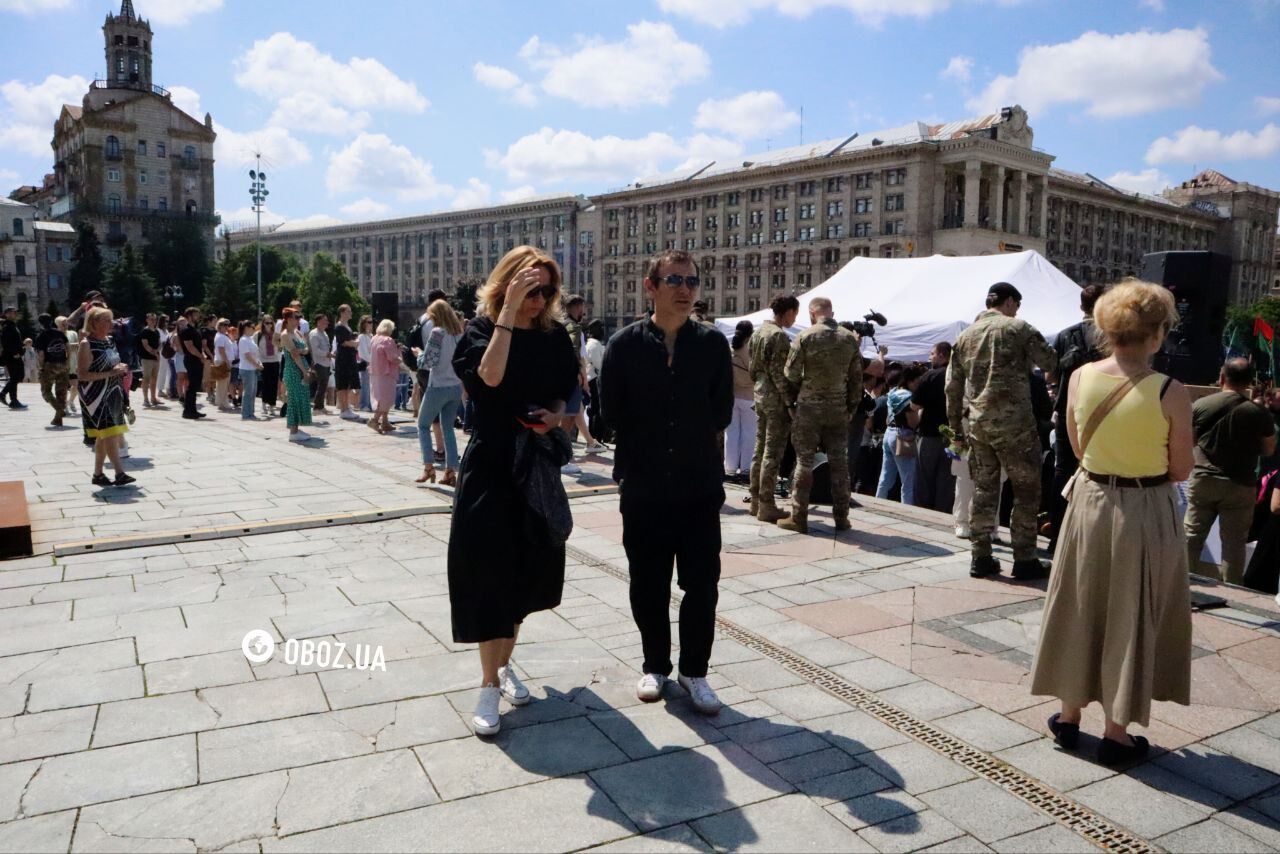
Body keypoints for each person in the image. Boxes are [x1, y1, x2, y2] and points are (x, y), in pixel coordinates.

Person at [1030, 280, 1193, 765]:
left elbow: (1078, 449)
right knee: (1131, 610)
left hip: (1089, 501)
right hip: (1143, 509)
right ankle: (1116, 734)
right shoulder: (1170, 391)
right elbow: (1181, 470)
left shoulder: (1079, 377)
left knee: (1078, 605)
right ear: (1157, 335)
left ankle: (1068, 716)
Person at [449, 246, 577, 736]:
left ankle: (503, 666)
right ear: (505, 286)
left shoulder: (555, 335)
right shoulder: (480, 332)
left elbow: (565, 389)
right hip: (490, 464)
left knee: (523, 576)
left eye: (546, 290)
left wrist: (554, 415)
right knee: (487, 574)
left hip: (536, 463)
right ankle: (487, 684)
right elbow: (490, 377)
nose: (539, 300)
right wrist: (506, 315)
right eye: (530, 289)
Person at [601, 249, 733, 715]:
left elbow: (720, 411)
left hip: (698, 485)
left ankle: (695, 671)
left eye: (692, 282)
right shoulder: (624, 345)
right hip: (644, 483)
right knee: (648, 580)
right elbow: (608, 413)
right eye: (674, 280)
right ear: (650, 286)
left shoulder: (713, 345)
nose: (684, 290)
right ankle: (655, 664)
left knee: (702, 582)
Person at [947, 282, 1058, 579]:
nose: (1017, 311)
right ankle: (1024, 559)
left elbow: (952, 388)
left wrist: (956, 430)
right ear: (1009, 302)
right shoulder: (1018, 328)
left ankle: (980, 557)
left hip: (979, 426)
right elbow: (1050, 361)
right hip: (1015, 426)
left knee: (983, 490)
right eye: (1017, 305)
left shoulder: (964, 336)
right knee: (1026, 490)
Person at [1184, 358, 1277, 584]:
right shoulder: (1259, 413)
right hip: (1241, 484)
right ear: (1248, 382)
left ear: (1222, 378)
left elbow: (1189, 442)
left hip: (1203, 479)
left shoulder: (1201, 405)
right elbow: (1269, 449)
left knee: (1191, 536)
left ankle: (1182, 585)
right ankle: (1232, 593)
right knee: (1234, 545)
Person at [777, 297, 863, 533]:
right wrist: (851, 408)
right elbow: (857, 379)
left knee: (804, 461)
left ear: (812, 313)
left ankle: (799, 516)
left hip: (809, 408)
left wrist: (792, 402)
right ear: (831, 313)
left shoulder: (805, 336)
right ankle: (842, 517)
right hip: (837, 409)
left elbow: (790, 374)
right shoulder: (848, 338)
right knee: (839, 463)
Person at [1048, 284, 1107, 553]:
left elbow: (1051, 376)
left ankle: (1057, 534)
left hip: (1067, 409)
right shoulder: (1111, 336)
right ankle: (1090, 537)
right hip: (1103, 411)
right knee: (1099, 471)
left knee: (1063, 470)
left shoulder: (1064, 335)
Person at [748, 295, 799, 520]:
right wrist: (790, 402)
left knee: (759, 450)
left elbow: (752, 366)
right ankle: (767, 503)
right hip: (775, 398)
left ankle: (756, 501)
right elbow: (780, 373)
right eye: (794, 313)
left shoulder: (758, 332)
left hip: (759, 393)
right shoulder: (778, 335)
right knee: (772, 451)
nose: (794, 318)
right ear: (786, 312)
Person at [78, 306, 134, 486]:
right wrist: (111, 373)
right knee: (109, 432)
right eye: (106, 320)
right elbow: (83, 375)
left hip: (113, 391)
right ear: (94, 323)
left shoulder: (110, 341)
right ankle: (119, 473)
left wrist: (120, 368)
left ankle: (98, 474)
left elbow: (112, 363)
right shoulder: (87, 344)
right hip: (95, 394)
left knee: (104, 435)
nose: (112, 324)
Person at [415, 300, 465, 485]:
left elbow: (428, 362)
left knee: (422, 425)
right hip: (455, 386)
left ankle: (428, 467)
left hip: (438, 386)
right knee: (448, 428)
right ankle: (450, 471)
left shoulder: (437, 333)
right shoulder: (458, 334)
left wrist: (418, 353)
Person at [561, 294, 606, 466]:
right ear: (575, 308)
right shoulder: (574, 327)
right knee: (568, 419)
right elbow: (576, 354)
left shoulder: (563, 325)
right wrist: (582, 378)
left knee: (571, 414)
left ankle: (585, 443)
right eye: (582, 308)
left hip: (564, 377)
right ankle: (564, 458)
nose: (584, 311)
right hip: (572, 378)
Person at [912, 342, 956, 512]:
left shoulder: (930, 376)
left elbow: (914, 405)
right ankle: (943, 512)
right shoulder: (961, 376)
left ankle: (923, 513)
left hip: (930, 433)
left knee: (924, 477)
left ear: (941, 355)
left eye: (932, 354)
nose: (930, 357)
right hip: (954, 436)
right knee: (948, 478)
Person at [876, 364, 926, 505]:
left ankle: (878, 504)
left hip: (889, 434)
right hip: (903, 435)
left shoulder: (893, 392)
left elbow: (887, 419)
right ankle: (907, 510)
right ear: (912, 380)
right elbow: (913, 422)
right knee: (908, 480)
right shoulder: (910, 397)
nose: (919, 384)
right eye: (918, 380)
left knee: (885, 476)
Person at [724, 320, 756, 482]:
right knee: (749, 433)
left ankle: (729, 468)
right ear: (750, 334)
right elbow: (755, 373)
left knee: (731, 433)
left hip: (732, 395)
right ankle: (745, 469)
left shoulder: (730, 349)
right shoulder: (749, 351)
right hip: (749, 396)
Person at [279, 308, 314, 443]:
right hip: (294, 371)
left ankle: (297, 428)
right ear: (288, 319)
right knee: (294, 400)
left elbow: (305, 349)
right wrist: (304, 372)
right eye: (295, 317)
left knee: (302, 398)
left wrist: (301, 351)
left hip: (301, 367)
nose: (298, 320)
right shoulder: (285, 334)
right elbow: (295, 355)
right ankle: (293, 431)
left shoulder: (297, 332)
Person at [34, 314, 69, 426]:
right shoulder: (59, 333)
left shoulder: (41, 336)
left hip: (49, 366)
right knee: (61, 392)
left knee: (46, 392)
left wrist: (41, 367)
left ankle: (59, 410)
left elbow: (41, 354)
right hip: (63, 364)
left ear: (40, 323)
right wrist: (68, 361)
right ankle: (58, 419)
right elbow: (67, 347)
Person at [367, 319, 402, 434]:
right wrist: (400, 357)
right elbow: (392, 357)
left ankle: (385, 422)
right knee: (385, 398)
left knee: (379, 396)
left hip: (375, 372)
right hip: (387, 373)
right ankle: (375, 420)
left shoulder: (374, 339)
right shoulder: (388, 340)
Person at [331, 304, 362, 421]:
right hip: (343, 358)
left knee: (348, 383)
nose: (351, 313)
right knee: (342, 384)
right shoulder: (339, 327)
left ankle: (347, 407)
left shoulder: (347, 326)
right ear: (342, 313)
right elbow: (344, 342)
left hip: (350, 357)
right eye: (348, 311)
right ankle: (343, 409)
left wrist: (354, 341)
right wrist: (355, 343)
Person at [178, 308, 208, 420]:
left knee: (195, 386)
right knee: (192, 386)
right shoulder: (186, 331)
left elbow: (199, 346)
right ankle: (188, 411)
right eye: (196, 315)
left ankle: (192, 410)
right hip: (192, 360)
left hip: (197, 359)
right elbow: (190, 347)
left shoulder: (194, 329)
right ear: (189, 316)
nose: (198, 317)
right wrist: (201, 356)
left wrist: (202, 355)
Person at [584, 319, 609, 443]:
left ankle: (597, 436)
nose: (602, 331)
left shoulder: (594, 344)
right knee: (596, 409)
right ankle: (596, 437)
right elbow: (599, 364)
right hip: (594, 380)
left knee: (595, 409)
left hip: (594, 379)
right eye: (600, 328)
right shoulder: (594, 345)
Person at [0, 306, 25, 408]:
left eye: (15, 312)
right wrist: (15, 353)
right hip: (12, 356)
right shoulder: (6, 326)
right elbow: (6, 342)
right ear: (6, 314)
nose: (14, 314)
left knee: (15, 377)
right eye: (12, 312)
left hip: (14, 355)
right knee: (18, 376)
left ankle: (13, 400)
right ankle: (4, 394)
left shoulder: (12, 325)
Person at [237, 320, 262, 420]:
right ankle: (246, 414)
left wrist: (258, 363)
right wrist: (257, 365)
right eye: (252, 327)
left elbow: (255, 353)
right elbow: (247, 356)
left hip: (253, 368)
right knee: (248, 392)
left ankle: (251, 412)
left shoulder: (250, 339)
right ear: (246, 328)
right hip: (247, 369)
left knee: (253, 392)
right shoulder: (243, 340)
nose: (253, 329)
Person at [308, 313, 332, 415]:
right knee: (320, 386)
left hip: (326, 363)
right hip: (319, 363)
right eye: (324, 321)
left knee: (324, 386)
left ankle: (321, 406)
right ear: (318, 322)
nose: (327, 322)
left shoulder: (324, 333)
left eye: (327, 320)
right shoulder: (314, 334)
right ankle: (317, 408)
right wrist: (326, 354)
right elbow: (315, 350)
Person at [257, 315, 280, 417]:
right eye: (267, 323)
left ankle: (272, 405)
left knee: (274, 384)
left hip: (275, 360)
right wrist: (257, 362)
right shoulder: (258, 335)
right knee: (265, 384)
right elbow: (255, 349)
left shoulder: (276, 334)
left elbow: (280, 346)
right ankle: (264, 404)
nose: (269, 325)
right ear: (263, 324)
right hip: (264, 361)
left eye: (271, 323)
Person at [136, 312, 161, 407]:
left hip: (156, 358)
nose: (153, 321)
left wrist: (157, 352)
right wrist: (154, 353)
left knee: (154, 378)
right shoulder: (144, 331)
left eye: (155, 319)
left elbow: (159, 344)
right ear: (147, 320)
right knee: (146, 378)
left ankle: (153, 398)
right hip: (147, 358)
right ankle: (145, 399)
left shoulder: (157, 331)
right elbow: (145, 345)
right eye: (151, 319)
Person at [62, 316, 79, 416]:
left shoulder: (73, 333)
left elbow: (78, 345)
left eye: (66, 323)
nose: (65, 325)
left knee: (76, 386)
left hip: (73, 362)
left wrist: (70, 346)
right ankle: (64, 406)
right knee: (63, 387)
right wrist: (69, 346)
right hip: (62, 364)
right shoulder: (57, 334)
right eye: (63, 323)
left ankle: (70, 401)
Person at [356, 315, 374, 412]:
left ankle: (370, 404)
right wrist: (371, 362)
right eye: (369, 322)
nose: (371, 324)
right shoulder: (361, 336)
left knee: (372, 385)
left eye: (371, 322)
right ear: (363, 324)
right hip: (366, 363)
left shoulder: (371, 336)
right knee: (365, 385)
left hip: (373, 363)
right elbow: (362, 353)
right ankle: (363, 405)